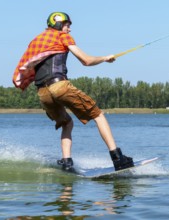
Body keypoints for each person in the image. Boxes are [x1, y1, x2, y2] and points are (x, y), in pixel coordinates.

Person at [13, 12, 134, 172]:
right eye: (67, 25)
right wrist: (105, 58)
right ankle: (118, 158)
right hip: (59, 86)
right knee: (98, 115)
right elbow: (86, 60)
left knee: (67, 123)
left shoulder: (36, 41)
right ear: (58, 24)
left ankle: (66, 162)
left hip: (43, 93)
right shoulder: (63, 37)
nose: (69, 29)